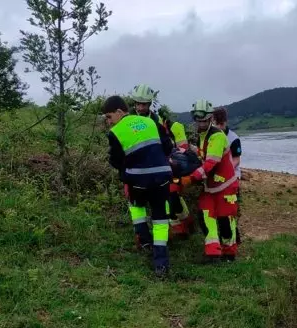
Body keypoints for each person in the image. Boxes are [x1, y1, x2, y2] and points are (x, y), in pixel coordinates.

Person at [102, 95, 174, 277]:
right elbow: (167, 146)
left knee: (137, 207)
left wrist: (128, 171)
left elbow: (116, 161)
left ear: (119, 112)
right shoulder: (151, 122)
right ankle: (161, 264)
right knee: (160, 220)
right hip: (161, 179)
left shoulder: (116, 132)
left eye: (109, 117)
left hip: (138, 182)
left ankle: (144, 241)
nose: (109, 122)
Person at [180, 99, 239, 262]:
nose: (202, 123)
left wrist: (190, 178)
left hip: (226, 187)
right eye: (199, 121)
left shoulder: (217, 136)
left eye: (204, 121)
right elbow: (202, 154)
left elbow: (210, 163)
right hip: (210, 188)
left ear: (210, 118)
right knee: (206, 216)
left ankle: (229, 253)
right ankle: (213, 252)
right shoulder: (203, 135)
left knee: (225, 220)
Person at [157, 105, 193, 238]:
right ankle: (181, 225)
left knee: (172, 195)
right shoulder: (153, 128)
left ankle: (183, 224)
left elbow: (183, 151)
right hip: (162, 167)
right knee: (169, 196)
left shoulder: (176, 127)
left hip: (176, 167)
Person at [212, 107, 243, 245]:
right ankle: (223, 234)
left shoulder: (234, 138)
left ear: (225, 122)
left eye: (221, 124)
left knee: (231, 208)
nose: (219, 127)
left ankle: (234, 233)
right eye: (216, 124)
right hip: (216, 179)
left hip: (232, 177)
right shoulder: (211, 136)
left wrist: (226, 170)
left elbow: (237, 159)